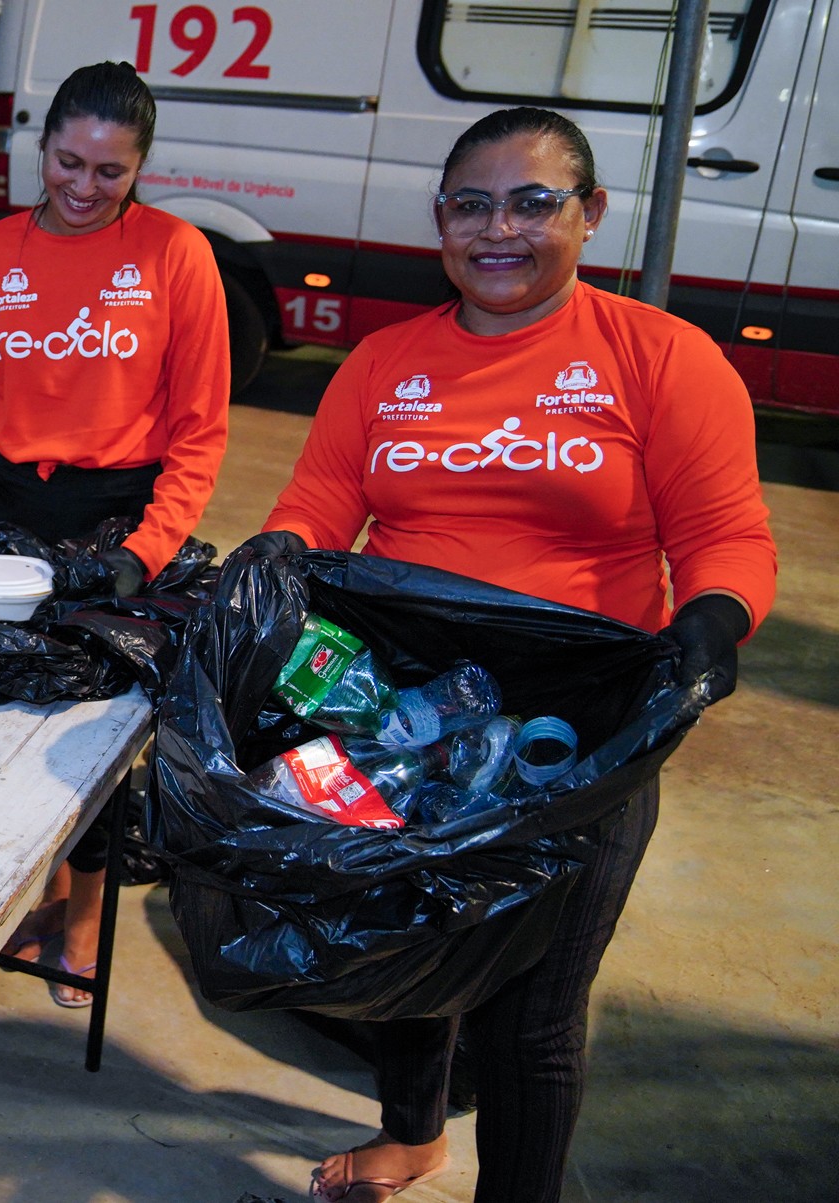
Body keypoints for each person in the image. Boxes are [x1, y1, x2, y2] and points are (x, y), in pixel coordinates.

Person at [252, 106, 775, 1203]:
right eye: (471, 205)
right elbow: (318, 504)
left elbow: (725, 537)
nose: (499, 230)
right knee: (407, 952)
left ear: (590, 214)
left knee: (532, 1016)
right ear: (439, 220)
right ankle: (411, 1138)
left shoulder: (661, 357)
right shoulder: (384, 362)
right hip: (402, 721)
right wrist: (273, 563)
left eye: (533, 203)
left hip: (573, 737)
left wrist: (712, 622)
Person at [0, 61, 230, 1006]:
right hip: (10, 514)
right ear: (40, 146)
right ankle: (43, 893)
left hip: (119, 521)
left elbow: (201, 429)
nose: (84, 188)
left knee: (96, 737)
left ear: (141, 168)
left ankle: (84, 920)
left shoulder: (176, 255)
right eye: (68, 163)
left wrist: (146, 550)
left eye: (110, 171)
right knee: (10, 718)